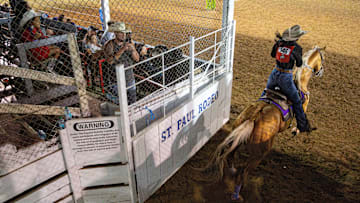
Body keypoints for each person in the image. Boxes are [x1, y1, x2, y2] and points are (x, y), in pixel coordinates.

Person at [262, 25, 311, 133]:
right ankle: (302, 126)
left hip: (274, 74)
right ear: (297, 38)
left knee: (265, 93)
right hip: (286, 78)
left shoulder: (278, 44)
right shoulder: (297, 48)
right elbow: (299, 64)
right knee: (297, 101)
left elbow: (272, 55)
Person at [103, 22, 139, 105]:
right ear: (115, 33)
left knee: (133, 102)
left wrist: (133, 50)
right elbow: (110, 61)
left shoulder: (129, 43)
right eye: (121, 33)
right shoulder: (109, 45)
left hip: (129, 78)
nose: (123, 35)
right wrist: (122, 49)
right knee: (121, 104)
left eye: (124, 33)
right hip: (116, 80)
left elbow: (137, 59)